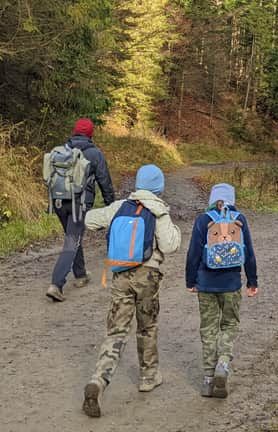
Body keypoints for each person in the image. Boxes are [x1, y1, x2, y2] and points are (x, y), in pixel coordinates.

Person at [81, 165, 181, 418]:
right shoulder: (159, 210)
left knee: (116, 330)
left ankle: (99, 380)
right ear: (159, 187)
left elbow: (90, 220)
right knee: (147, 326)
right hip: (148, 275)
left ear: (137, 184)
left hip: (121, 275)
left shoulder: (121, 206)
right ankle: (148, 376)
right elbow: (170, 246)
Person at [186, 183, 258, 398]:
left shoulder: (202, 220)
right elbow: (250, 253)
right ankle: (223, 364)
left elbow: (192, 254)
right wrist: (252, 281)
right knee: (229, 324)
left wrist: (191, 281)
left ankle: (208, 379)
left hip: (206, 285)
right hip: (231, 285)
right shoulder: (240, 219)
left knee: (208, 328)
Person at [46, 118, 115, 302]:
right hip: (79, 204)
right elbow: (105, 182)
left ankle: (81, 274)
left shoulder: (62, 150)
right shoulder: (95, 154)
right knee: (71, 240)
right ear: (91, 133)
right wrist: (111, 206)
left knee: (73, 236)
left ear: (74, 131)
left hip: (59, 201)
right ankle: (56, 284)